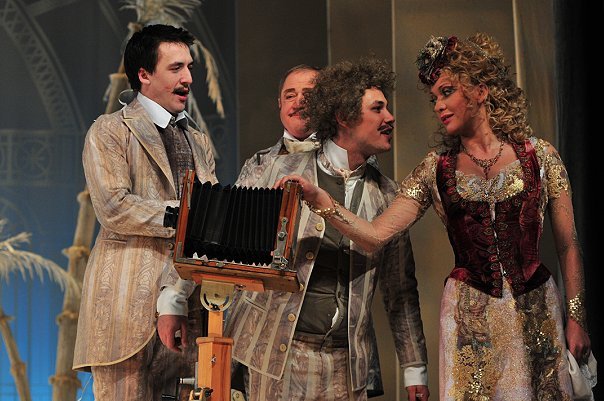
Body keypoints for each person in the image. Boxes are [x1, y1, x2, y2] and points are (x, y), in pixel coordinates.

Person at [278, 33, 592, 400]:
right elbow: (375, 235)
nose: (439, 105)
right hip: (469, 321)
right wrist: (322, 201)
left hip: (536, 309)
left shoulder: (540, 156)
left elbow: (568, 245)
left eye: (447, 92)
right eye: (434, 98)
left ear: (480, 90)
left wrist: (576, 317)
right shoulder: (435, 169)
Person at [225, 57, 429, 401]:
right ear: (345, 117)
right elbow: (231, 253)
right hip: (277, 358)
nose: (390, 117)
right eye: (377, 108)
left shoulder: (388, 195)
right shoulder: (275, 169)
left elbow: (400, 289)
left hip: (346, 367)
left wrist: (414, 368)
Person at [73, 24, 217, 401]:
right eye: (176, 68)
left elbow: (213, 215)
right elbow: (114, 207)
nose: (188, 78)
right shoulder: (110, 131)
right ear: (144, 74)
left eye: (189, 67)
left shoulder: (198, 141)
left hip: (185, 304)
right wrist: (186, 215)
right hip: (124, 309)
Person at [236, 64, 321, 185]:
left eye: (309, 95)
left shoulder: (343, 156)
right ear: (280, 103)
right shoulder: (257, 163)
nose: (298, 103)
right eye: (290, 96)